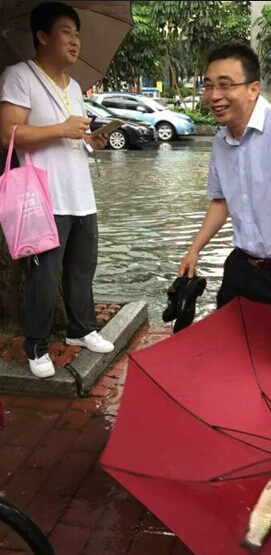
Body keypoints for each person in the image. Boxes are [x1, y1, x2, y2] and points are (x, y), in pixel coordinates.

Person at [0, 2, 114, 379]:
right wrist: (62, 129)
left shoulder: (75, 85)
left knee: (82, 268)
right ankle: (35, 344)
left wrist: (90, 141)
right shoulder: (19, 76)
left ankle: (81, 329)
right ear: (43, 36)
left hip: (81, 193)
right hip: (45, 197)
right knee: (44, 275)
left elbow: (71, 139)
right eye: (66, 32)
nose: (75, 40)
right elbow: (8, 134)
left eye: (77, 33)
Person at [178, 42, 271, 309]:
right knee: (227, 333)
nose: (214, 96)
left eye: (225, 85)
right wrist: (195, 249)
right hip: (241, 267)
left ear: (253, 89)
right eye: (209, 86)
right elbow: (221, 201)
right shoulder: (220, 141)